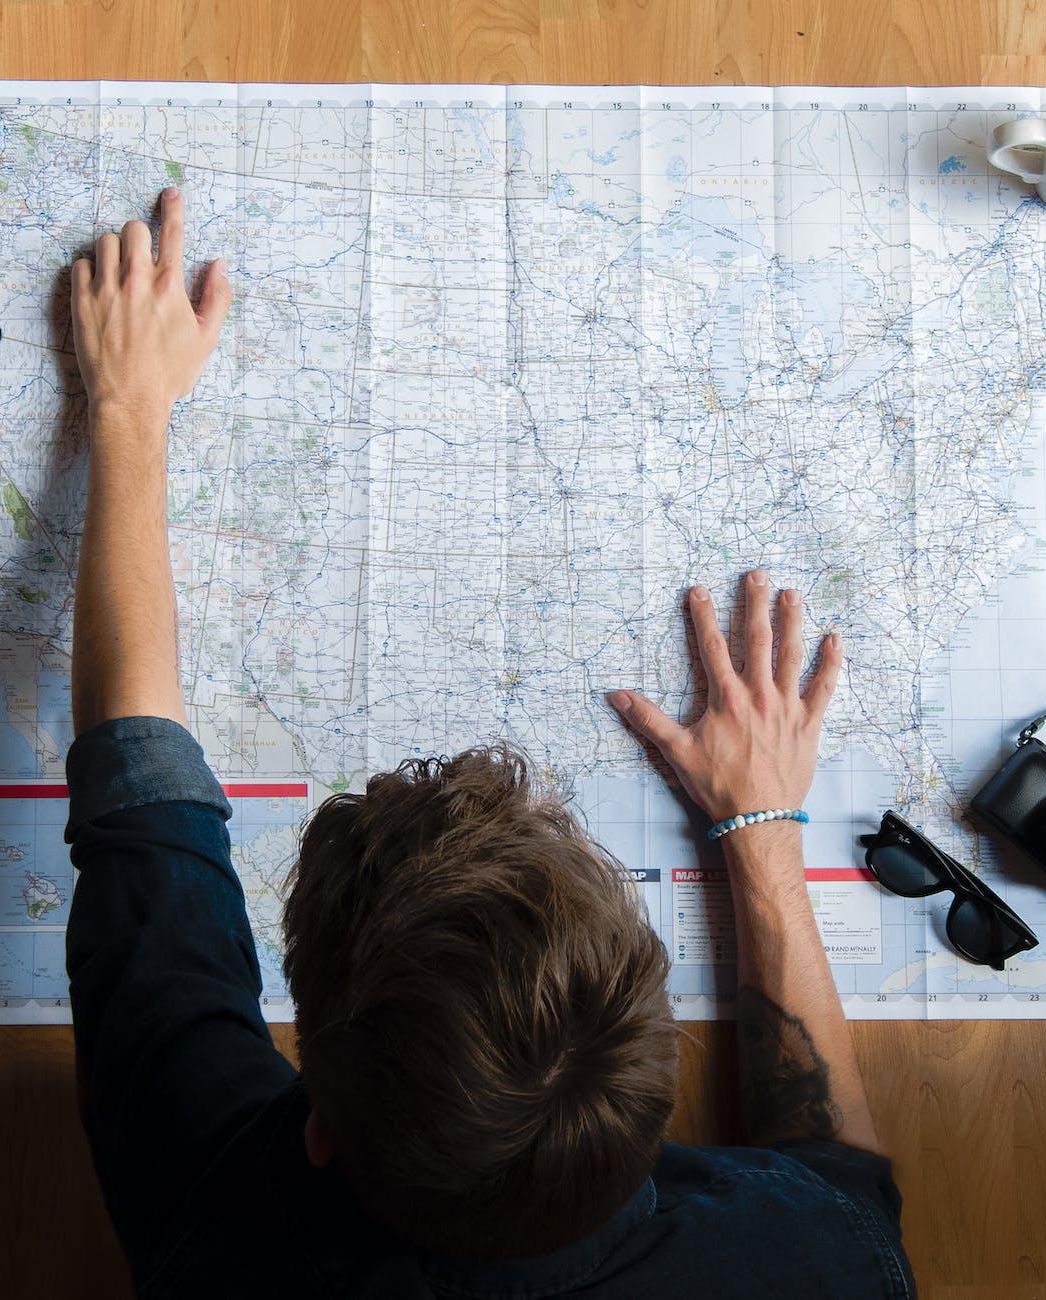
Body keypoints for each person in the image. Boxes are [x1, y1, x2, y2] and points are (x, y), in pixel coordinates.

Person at [64, 188, 916, 1298]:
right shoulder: (815, 1265)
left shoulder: (214, 1211)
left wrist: (128, 408)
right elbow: (833, 1173)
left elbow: (140, 799)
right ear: (654, 1100)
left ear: (319, 1131)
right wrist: (758, 828)